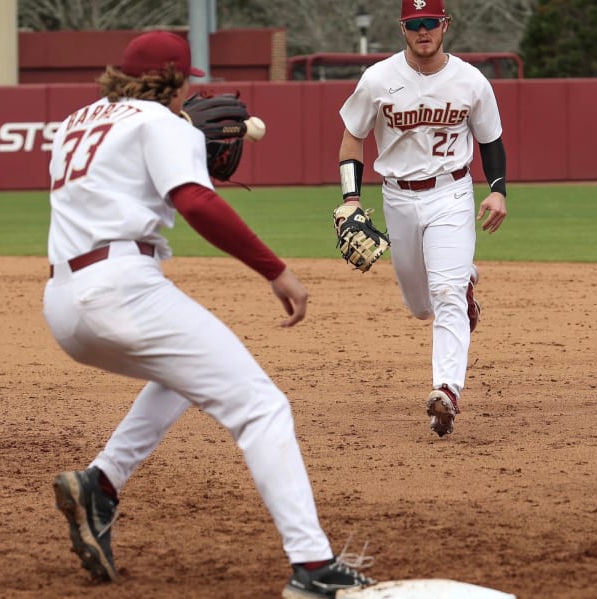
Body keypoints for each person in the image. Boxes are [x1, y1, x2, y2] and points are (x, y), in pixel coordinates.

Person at [43, 30, 373, 598]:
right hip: (122, 290)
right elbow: (195, 201)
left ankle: (101, 483)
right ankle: (313, 568)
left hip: (63, 301)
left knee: (185, 375)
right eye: (183, 86)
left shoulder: (76, 122)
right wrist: (275, 270)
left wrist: (181, 137)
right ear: (174, 81)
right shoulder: (164, 124)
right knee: (262, 406)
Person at [337, 0, 508, 438]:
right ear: (402, 28)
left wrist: (497, 191)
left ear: (445, 24)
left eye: (430, 22)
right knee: (419, 305)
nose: (423, 30)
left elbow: (490, 140)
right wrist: (351, 199)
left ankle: (446, 391)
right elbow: (352, 137)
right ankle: (464, 279)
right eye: (415, 24)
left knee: (445, 293)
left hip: (451, 192)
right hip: (397, 197)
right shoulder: (378, 79)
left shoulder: (470, 80)